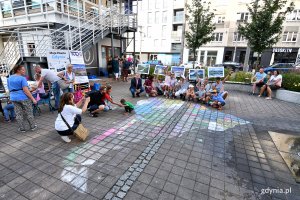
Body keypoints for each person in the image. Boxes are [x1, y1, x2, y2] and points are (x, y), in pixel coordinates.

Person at [7, 65, 37, 132]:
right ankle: (32, 126)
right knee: (29, 112)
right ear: (18, 70)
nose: (24, 71)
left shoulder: (9, 78)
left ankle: (22, 128)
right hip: (23, 97)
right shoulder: (22, 78)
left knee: (18, 113)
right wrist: (33, 99)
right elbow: (26, 90)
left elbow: (9, 89)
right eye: (23, 70)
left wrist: (10, 97)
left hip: (13, 97)